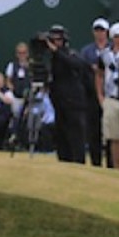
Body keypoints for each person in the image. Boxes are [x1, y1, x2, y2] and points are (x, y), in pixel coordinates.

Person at [46, 25, 90, 163]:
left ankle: (78, 161)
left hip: (73, 103)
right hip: (59, 103)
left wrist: (57, 52)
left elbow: (77, 64)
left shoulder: (71, 54)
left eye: (57, 40)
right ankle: (63, 160)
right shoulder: (51, 59)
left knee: (76, 135)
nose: (54, 43)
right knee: (61, 135)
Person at [96, 22, 119, 171]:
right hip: (111, 98)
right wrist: (100, 95)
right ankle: (117, 169)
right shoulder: (104, 54)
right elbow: (99, 74)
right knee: (114, 137)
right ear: (115, 38)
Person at [79, 18, 111, 166]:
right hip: (91, 95)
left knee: (110, 130)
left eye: (102, 30)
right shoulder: (87, 51)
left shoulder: (112, 49)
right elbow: (82, 70)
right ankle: (96, 161)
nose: (99, 34)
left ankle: (112, 162)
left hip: (110, 94)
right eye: (97, 30)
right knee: (93, 130)